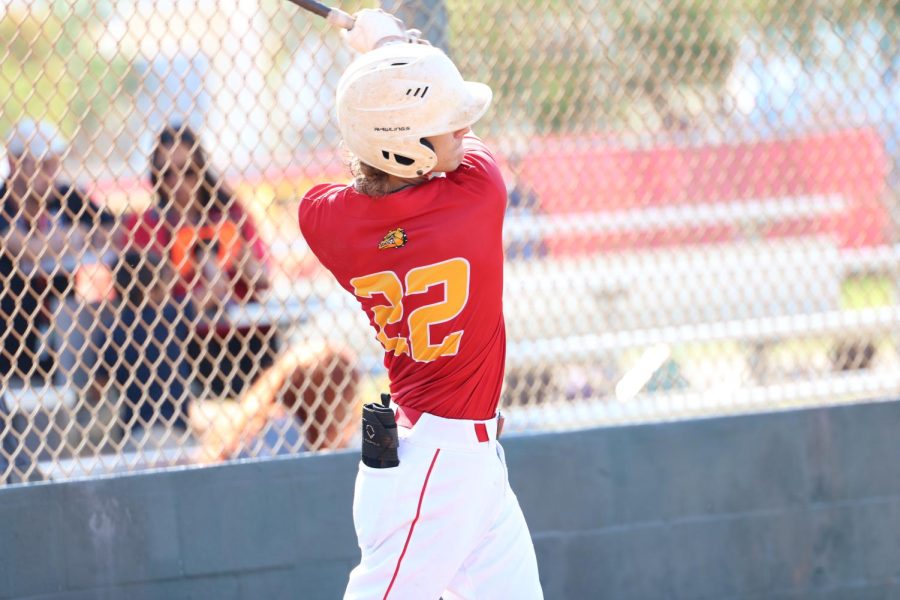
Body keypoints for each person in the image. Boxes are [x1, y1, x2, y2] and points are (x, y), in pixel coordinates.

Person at [298, 10, 543, 599]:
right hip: (436, 465)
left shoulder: (326, 223)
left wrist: (383, 69)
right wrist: (384, 42)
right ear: (404, 147)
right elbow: (429, 158)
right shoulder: (478, 193)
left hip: (460, 463)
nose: (462, 131)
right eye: (446, 126)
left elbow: (364, 177)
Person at [122, 123, 277, 397]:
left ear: (202, 170)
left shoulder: (230, 213)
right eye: (167, 174)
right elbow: (145, 302)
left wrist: (236, 255)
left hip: (247, 334)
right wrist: (202, 296)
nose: (178, 184)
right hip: (187, 342)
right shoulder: (147, 226)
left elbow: (263, 278)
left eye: (188, 172)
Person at [0, 119, 115, 390]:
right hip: (10, 331)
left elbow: (111, 227)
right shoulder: (4, 202)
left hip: (58, 325)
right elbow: (26, 250)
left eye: (54, 165)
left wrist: (74, 236)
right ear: (16, 165)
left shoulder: (64, 197)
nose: (52, 174)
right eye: (44, 166)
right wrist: (71, 236)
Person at [86, 251, 195, 448]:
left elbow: (97, 390)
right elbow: (215, 292)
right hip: (178, 431)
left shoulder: (112, 331)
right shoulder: (172, 316)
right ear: (151, 290)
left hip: (137, 435)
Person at [196, 342, 360, 462]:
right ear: (326, 397)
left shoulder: (280, 423)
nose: (351, 412)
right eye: (346, 399)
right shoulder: (284, 428)